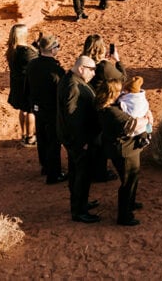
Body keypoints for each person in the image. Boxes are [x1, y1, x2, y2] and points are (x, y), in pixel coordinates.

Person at [57, 55, 100, 223]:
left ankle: (80, 203)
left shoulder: (70, 79)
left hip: (73, 139)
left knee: (76, 172)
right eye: (92, 70)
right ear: (81, 68)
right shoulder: (73, 86)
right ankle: (79, 211)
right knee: (82, 174)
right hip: (78, 141)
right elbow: (72, 118)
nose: (94, 74)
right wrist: (82, 142)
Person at [96, 78, 143, 227]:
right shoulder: (112, 112)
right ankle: (125, 216)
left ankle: (131, 203)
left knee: (132, 178)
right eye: (119, 90)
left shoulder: (105, 106)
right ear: (112, 93)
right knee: (128, 181)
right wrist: (146, 119)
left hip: (120, 149)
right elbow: (133, 125)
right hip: (125, 151)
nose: (122, 92)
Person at [27, 33, 65, 184]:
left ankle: (45, 166)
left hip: (37, 107)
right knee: (53, 141)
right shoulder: (56, 70)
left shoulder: (32, 64)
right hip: (52, 109)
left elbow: (27, 87)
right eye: (58, 47)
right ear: (52, 49)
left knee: (42, 137)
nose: (58, 49)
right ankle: (54, 174)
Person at [83, 34, 122, 182]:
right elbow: (121, 78)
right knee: (101, 141)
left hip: (87, 105)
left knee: (92, 141)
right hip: (101, 105)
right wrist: (117, 61)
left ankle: (92, 169)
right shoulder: (104, 67)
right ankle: (100, 173)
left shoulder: (84, 62)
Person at [5, 24, 37, 146]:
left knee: (23, 110)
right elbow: (34, 60)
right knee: (30, 111)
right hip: (27, 84)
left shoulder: (12, 49)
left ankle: (23, 135)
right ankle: (30, 137)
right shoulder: (26, 52)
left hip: (17, 83)